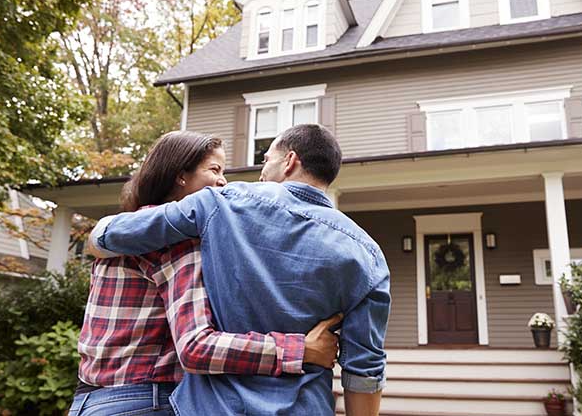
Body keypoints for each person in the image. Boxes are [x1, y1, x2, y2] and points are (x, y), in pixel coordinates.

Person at [89, 124, 390, 415]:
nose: (261, 171)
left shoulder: (221, 204)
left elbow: (119, 233)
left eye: (266, 159)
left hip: (216, 407)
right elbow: (365, 368)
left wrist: (98, 236)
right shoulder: (368, 255)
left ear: (290, 161)